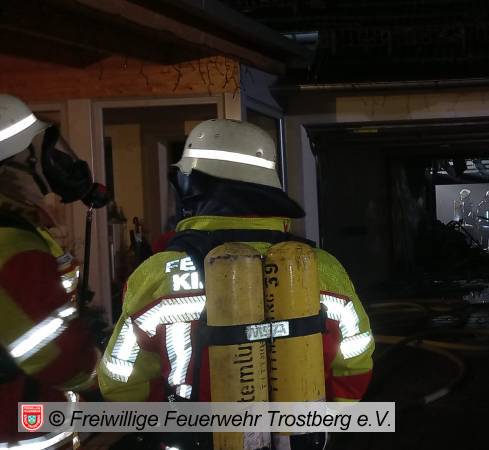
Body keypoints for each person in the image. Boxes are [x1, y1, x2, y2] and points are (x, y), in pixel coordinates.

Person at [97, 119, 374, 444]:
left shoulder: (158, 273)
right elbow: (356, 362)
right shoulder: (321, 267)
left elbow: (119, 381)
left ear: (191, 188)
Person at [0, 94, 103, 447]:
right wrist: (100, 373)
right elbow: (53, 355)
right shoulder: (12, 243)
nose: (53, 164)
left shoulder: (17, 229)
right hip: (20, 430)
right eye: (35, 152)